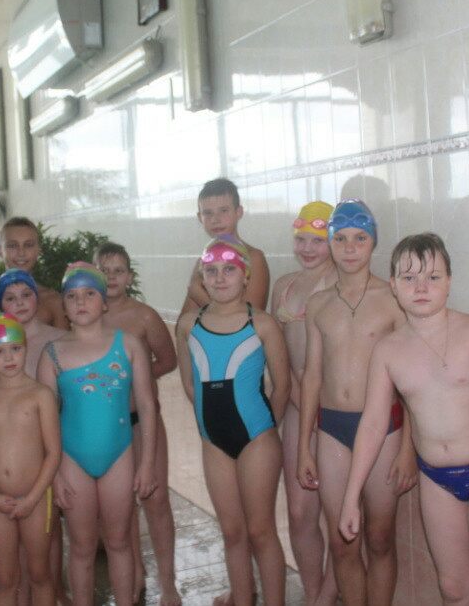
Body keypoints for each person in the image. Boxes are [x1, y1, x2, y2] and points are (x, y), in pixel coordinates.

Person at [339, 233, 469, 605]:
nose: (421, 287)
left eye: (433, 277)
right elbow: (372, 424)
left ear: (449, 282)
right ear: (393, 285)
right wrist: (351, 496)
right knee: (454, 589)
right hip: (436, 480)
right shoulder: (388, 350)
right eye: (409, 278)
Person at [297, 199, 417, 606]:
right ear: (330, 243)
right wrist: (304, 446)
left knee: (380, 538)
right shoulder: (318, 305)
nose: (350, 248)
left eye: (360, 239)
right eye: (341, 239)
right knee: (342, 541)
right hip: (332, 429)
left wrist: (408, 449)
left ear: (373, 242)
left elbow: (410, 382)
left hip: (386, 429)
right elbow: (312, 377)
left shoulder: (392, 300)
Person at [176, 236, 290, 606]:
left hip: (258, 439)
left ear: (246, 277)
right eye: (211, 271)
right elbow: (190, 385)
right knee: (231, 532)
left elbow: (283, 386)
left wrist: (265, 430)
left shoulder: (263, 324)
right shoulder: (188, 325)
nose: (220, 277)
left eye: (229, 269)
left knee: (260, 531)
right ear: (201, 278)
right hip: (214, 442)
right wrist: (210, 427)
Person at [36, 263, 158, 606]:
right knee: (81, 547)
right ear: (63, 306)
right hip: (71, 459)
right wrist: (54, 473)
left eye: (90, 293)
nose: (81, 301)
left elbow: (147, 406)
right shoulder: (53, 353)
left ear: (104, 302)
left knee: (119, 542)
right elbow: (45, 421)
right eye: (72, 296)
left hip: (119, 454)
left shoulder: (128, 345)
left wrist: (147, 463)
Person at [95, 242, 181, 606]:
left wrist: (137, 379)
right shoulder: (86, 317)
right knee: (120, 505)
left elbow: (168, 359)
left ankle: (168, 582)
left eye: (118, 271)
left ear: (129, 277)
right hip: (106, 425)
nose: (112, 277)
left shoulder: (144, 316)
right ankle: (135, 573)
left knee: (155, 499)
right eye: (104, 270)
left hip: (141, 421)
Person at [269, 201, 338, 606]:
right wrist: (292, 399)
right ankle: (313, 592)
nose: (307, 248)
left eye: (317, 240)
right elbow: (277, 354)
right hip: (298, 407)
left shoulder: (343, 284)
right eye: (301, 239)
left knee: (338, 513)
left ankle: (326, 596)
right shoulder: (284, 285)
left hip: (335, 410)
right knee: (299, 511)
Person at [0, 314, 60, 606]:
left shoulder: (41, 395)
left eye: (15, 349)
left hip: (36, 499)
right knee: (6, 580)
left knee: (40, 575)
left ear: (25, 348)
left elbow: (53, 452)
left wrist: (32, 498)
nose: (8, 358)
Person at [0, 267, 68, 606]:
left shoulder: (59, 339)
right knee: (16, 551)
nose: (20, 302)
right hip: (15, 455)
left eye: (26, 295)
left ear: (38, 299)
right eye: (10, 298)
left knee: (50, 533)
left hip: (53, 449)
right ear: (0, 304)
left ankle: (55, 591)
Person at [179, 178, 270, 316]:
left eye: (223, 210)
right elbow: (184, 322)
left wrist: (199, 295)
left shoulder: (254, 258)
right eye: (208, 213)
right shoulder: (204, 260)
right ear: (199, 217)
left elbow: (250, 319)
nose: (215, 219)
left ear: (238, 212)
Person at [0, 217, 69, 330]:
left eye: (28, 245)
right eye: (13, 245)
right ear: (0, 250)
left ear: (38, 249)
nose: (21, 253)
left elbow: (66, 341)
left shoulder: (53, 301)